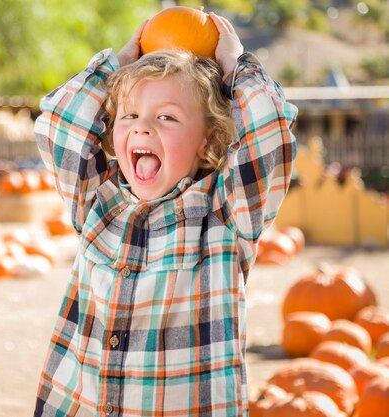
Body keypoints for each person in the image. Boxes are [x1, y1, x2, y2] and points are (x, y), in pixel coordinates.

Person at [33, 12, 297, 417]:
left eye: (167, 117)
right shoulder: (97, 202)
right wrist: (116, 65)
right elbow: (57, 125)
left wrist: (236, 68)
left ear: (207, 140)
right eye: (130, 115)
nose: (142, 128)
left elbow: (270, 133)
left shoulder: (226, 215)